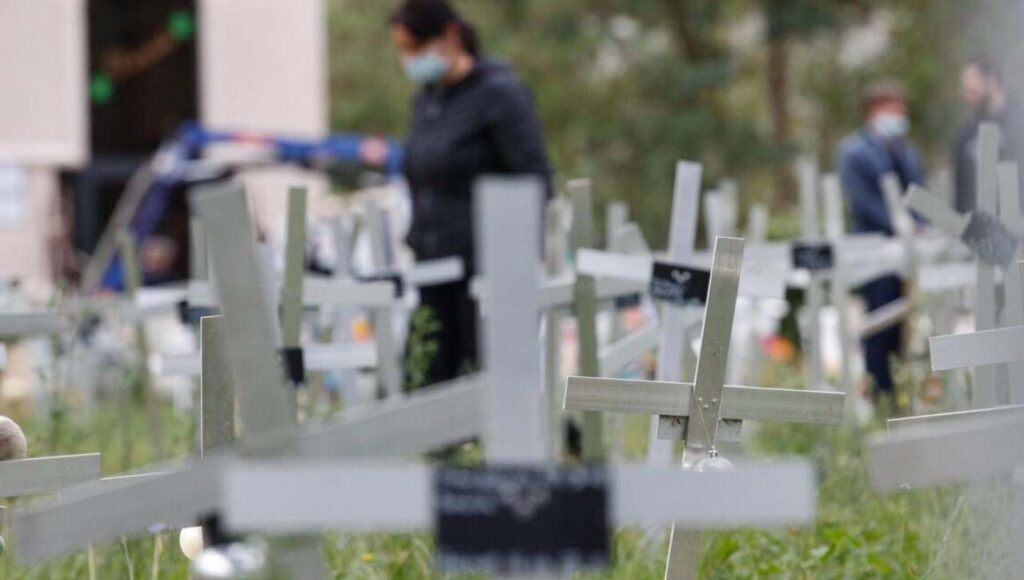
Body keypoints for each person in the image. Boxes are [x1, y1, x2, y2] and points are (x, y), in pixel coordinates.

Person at [381, 0, 552, 386]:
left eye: (415, 48)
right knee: (424, 380)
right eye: (404, 50)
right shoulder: (425, 102)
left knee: (490, 383)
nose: (409, 59)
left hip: (486, 269)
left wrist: (523, 259)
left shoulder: (499, 94)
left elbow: (534, 177)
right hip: (432, 266)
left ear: (450, 36)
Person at [837, 82, 925, 398]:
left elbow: (918, 194)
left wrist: (920, 225)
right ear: (875, 110)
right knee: (879, 326)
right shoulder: (855, 152)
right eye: (894, 109)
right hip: (875, 253)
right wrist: (900, 227)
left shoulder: (903, 150)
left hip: (908, 254)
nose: (901, 115)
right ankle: (879, 394)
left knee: (906, 327)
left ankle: (902, 393)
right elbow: (864, 203)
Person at [954, 56, 1024, 213]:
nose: (966, 96)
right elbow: (960, 193)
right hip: (982, 230)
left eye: (971, 89)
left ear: (991, 80)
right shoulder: (966, 133)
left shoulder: (1019, 122)